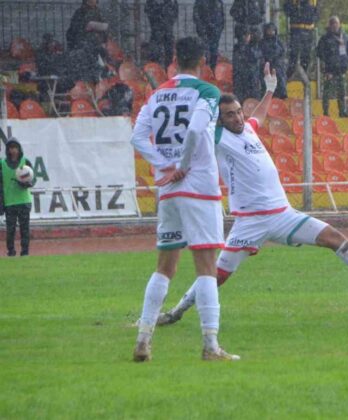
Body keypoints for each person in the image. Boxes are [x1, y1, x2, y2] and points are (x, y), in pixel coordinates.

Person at [156, 65, 348, 326]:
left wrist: (269, 90)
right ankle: (176, 312)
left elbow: (259, 116)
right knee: (217, 274)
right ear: (220, 120)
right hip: (250, 220)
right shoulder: (217, 135)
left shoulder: (248, 128)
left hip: (282, 214)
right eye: (229, 116)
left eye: (238, 113)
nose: (237, 118)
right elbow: (192, 132)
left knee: (334, 238)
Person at [130, 36, 238, 362]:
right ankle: (210, 345)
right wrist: (183, 165)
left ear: (174, 61)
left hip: (168, 191)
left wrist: (164, 165)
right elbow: (194, 130)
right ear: (203, 61)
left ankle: (143, 339)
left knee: (164, 267)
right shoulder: (207, 92)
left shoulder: (158, 93)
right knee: (206, 267)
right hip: (198, 188)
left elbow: (136, 137)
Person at [0, 138, 35, 257]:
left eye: (15, 147)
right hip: (10, 202)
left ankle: (25, 252)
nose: (13, 150)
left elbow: (33, 179)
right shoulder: (2, 164)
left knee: (24, 229)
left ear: (19, 149)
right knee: (10, 230)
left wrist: (26, 184)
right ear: (7, 150)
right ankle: (11, 252)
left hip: (24, 201)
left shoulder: (25, 162)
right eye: (10, 148)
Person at [316, 16, 348, 117]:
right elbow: (319, 53)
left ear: (339, 24)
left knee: (342, 92)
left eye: (336, 23)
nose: (335, 25)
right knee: (327, 92)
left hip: (341, 69)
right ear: (330, 25)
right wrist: (326, 67)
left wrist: (347, 61)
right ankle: (326, 112)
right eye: (332, 23)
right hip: (330, 70)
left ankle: (342, 111)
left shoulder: (345, 37)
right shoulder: (325, 38)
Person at [66, 0, 109, 82]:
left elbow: (105, 30)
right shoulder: (80, 12)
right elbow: (75, 30)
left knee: (99, 69)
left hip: (96, 47)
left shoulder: (99, 12)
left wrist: (103, 40)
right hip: (85, 46)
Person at [283, 0, 319, 79]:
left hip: (308, 31)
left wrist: (312, 19)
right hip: (296, 30)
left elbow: (317, 12)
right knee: (294, 55)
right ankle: (289, 75)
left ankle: (304, 75)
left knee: (306, 56)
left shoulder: (314, 1)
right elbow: (287, 10)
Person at [233, 25, 264, 101]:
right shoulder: (241, 48)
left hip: (252, 78)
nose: (248, 37)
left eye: (248, 35)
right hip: (244, 79)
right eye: (246, 35)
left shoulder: (254, 47)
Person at [144, 0, 179, 69]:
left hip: (161, 30)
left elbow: (148, 10)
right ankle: (159, 68)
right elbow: (175, 11)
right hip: (161, 29)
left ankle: (160, 69)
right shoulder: (167, 5)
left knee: (164, 52)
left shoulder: (155, 5)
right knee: (159, 52)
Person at [259, 22, 288, 99]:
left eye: (273, 30)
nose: (271, 32)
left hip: (277, 67)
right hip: (266, 67)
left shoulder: (278, 42)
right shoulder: (262, 43)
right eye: (269, 30)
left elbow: (282, 52)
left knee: (280, 81)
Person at [193, 0, 225, 69]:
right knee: (205, 52)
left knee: (213, 51)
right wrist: (201, 28)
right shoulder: (200, 2)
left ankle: (212, 70)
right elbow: (196, 16)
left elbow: (222, 15)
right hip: (205, 30)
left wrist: (220, 27)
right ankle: (206, 70)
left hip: (215, 31)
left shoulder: (218, 1)